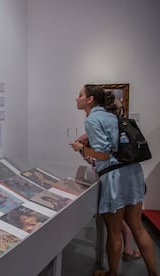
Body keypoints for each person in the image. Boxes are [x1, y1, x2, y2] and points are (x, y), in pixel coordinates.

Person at [70, 84, 158, 276]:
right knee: (138, 228)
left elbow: (102, 154)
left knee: (114, 231)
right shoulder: (112, 116)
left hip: (115, 178)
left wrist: (80, 148)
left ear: (90, 99)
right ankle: (154, 273)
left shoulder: (92, 120)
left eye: (80, 95)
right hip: (133, 173)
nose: (76, 98)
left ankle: (112, 273)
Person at [74, 98, 142, 264]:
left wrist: (89, 156)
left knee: (119, 223)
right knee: (121, 223)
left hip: (114, 177)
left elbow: (87, 146)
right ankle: (124, 252)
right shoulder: (111, 126)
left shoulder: (104, 125)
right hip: (116, 177)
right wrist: (91, 158)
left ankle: (123, 253)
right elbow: (83, 144)